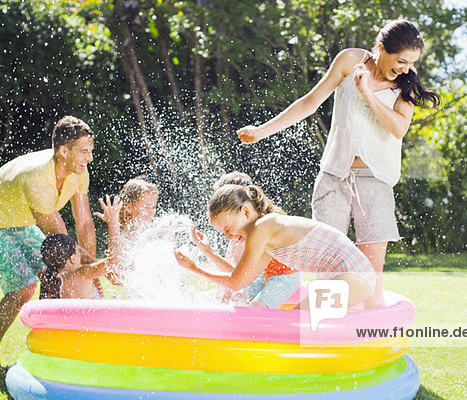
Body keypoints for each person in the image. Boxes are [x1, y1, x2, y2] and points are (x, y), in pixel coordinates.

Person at [236, 20, 440, 309]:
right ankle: (317, 343)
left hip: (376, 180)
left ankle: (373, 350)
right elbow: (310, 103)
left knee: (371, 283)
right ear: (381, 49)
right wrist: (261, 130)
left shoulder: (406, 83)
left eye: (412, 62)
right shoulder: (349, 60)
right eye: (400, 60)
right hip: (334, 176)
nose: (406, 68)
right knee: (327, 273)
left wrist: (367, 92)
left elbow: (398, 128)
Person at [0, 115, 99, 371]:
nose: (89, 158)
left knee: (60, 275)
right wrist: (95, 268)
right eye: (84, 151)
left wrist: (89, 274)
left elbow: (84, 222)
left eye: (90, 151)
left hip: (19, 222)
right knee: (24, 287)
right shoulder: (37, 179)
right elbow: (61, 240)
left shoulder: (78, 170)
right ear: (63, 151)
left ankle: (57, 350)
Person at [174, 184, 376, 308]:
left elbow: (235, 282)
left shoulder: (263, 228)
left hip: (354, 275)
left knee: (299, 323)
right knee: (299, 321)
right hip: (348, 275)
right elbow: (242, 278)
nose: (228, 236)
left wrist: (194, 268)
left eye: (228, 228)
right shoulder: (265, 232)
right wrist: (207, 251)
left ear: (245, 211)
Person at [207, 171, 300, 308]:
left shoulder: (262, 228)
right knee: (238, 300)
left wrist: (202, 257)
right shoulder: (243, 230)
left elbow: (237, 277)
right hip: (265, 276)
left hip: (285, 276)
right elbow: (235, 276)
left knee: (254, 309)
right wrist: (222, 303)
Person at [39, 195, 123, 299]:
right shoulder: (82, 274)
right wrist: (113, 222)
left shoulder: (47, 282)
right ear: (72, 258)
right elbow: (114, 260)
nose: (82, 254)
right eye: (79, 251)